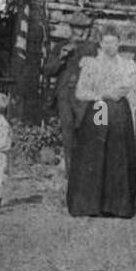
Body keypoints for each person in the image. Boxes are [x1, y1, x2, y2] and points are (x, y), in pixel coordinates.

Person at [66, 25, 136, 218]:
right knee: (96, 152)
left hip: (119, 113)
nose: (109, 46)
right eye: (105, 42)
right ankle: (91, 205)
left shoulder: (127, 64)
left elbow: (132, 92)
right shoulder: (91, 64)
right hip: (99, 107)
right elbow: (80, 92)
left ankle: (117, 206)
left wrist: (130, 114)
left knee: (117, 154)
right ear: (100, 43)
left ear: (119, 43)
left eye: (113, 42)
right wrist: (102, 94)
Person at [43, 26, 99, 175]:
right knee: (68, 135)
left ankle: (86, 172)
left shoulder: (91, 48)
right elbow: (48, 71)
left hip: (84, 97)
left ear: (86, 31)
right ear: (70, 29)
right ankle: (70, 173)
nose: (78, 32)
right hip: (65, 96)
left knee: (85, 133)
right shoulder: (61, 46)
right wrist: (61, 57)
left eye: (81, 29)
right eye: (75, 28)